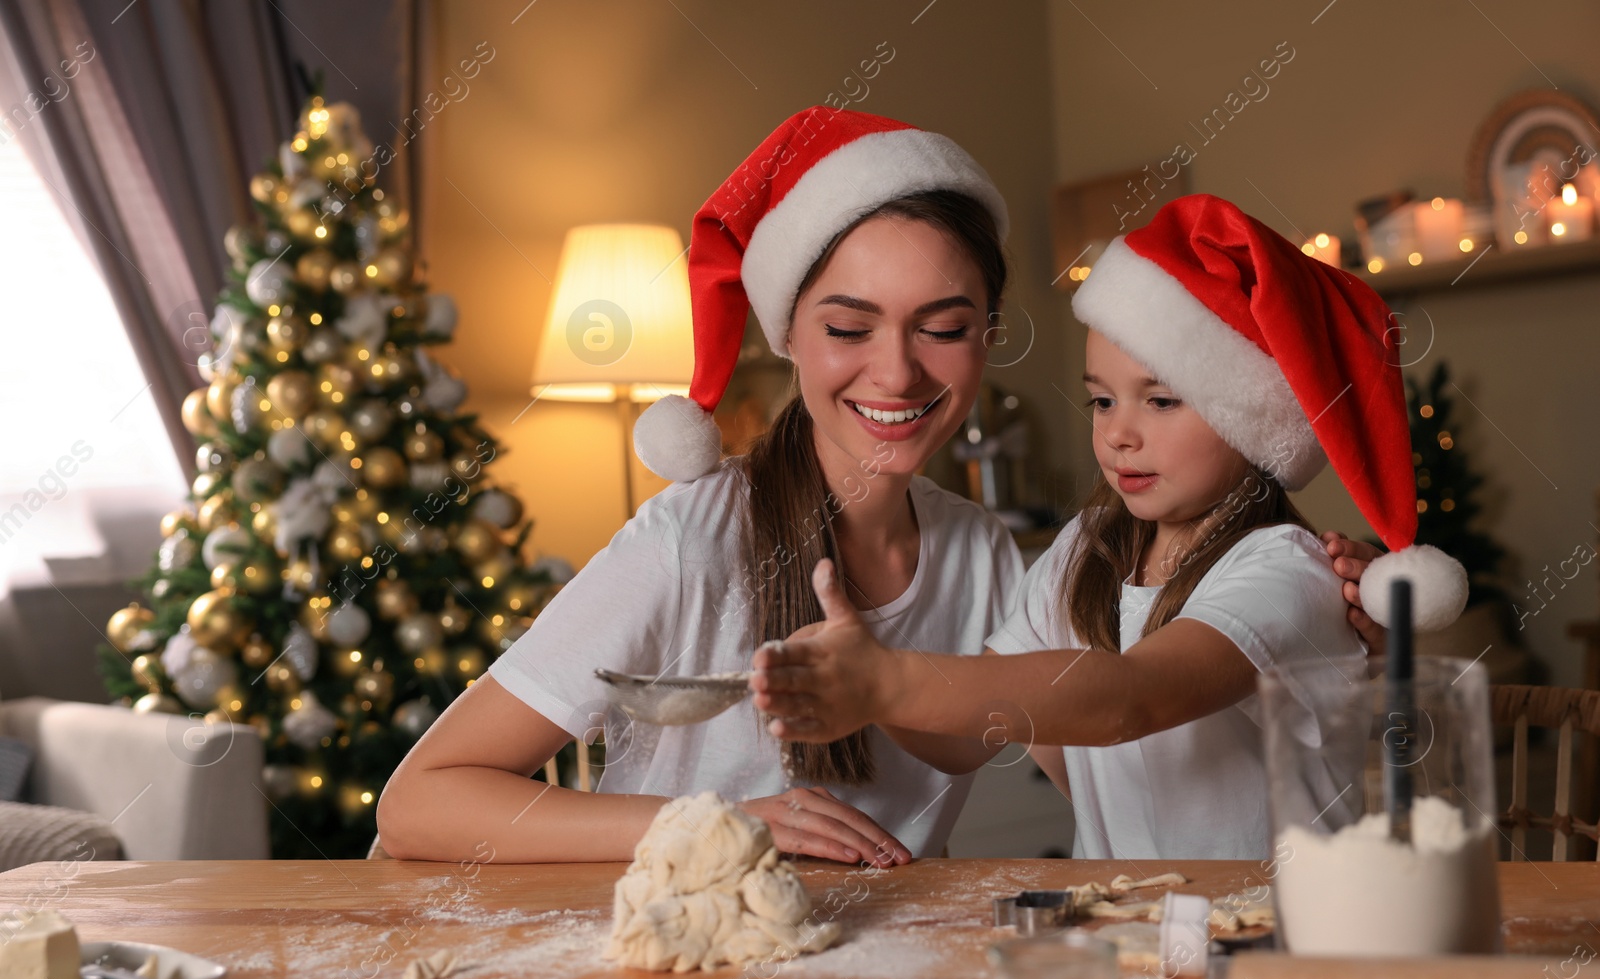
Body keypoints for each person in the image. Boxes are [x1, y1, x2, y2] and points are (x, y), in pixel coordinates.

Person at [378, 113, 1382, 865]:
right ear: (791, 335)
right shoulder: (690, 540)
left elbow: (1086, 712)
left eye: (941, 327)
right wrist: (719, 822)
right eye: (849, 327)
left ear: (987, 336)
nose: (896, 374)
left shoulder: (987, 554)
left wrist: (1347, 599)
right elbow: (417, 802)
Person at [750, 193, 1463, 861]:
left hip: (1276, 944)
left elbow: (1130, 698)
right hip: (1134, 933)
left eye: (1160, 401)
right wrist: (857, 677)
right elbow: (975, 735)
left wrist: (886, 681)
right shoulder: (1086, 548)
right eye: (1101, 402)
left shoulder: (1291, 571)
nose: (1120, 434)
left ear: (1253, 421)